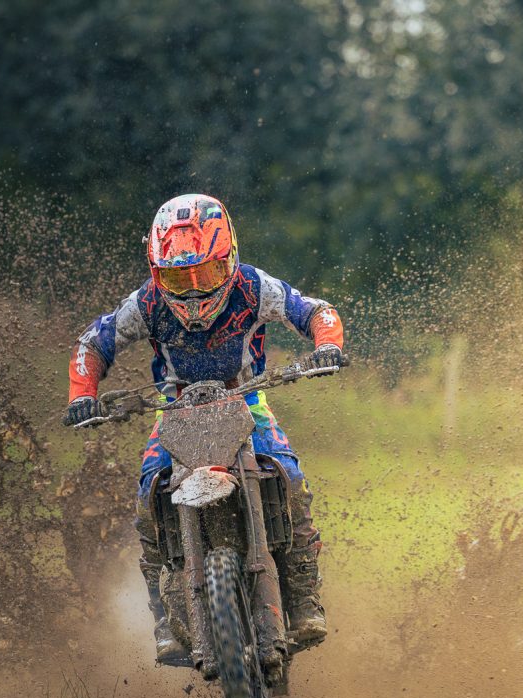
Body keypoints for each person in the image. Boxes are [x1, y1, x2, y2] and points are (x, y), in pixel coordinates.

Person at [64, 194, 347, 663]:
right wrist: (82, 396)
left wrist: (327, 346)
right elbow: (93, 343)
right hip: (174, 409)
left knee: (291, 477)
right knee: (148, 496)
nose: (195, 293)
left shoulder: (253, 286)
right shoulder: (147, 302)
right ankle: (163, 616)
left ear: (229, 258)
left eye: (208, 275)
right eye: (180, 279)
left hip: (246, 398)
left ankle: (303, 595)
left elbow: (316, 310)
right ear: (158, 274)